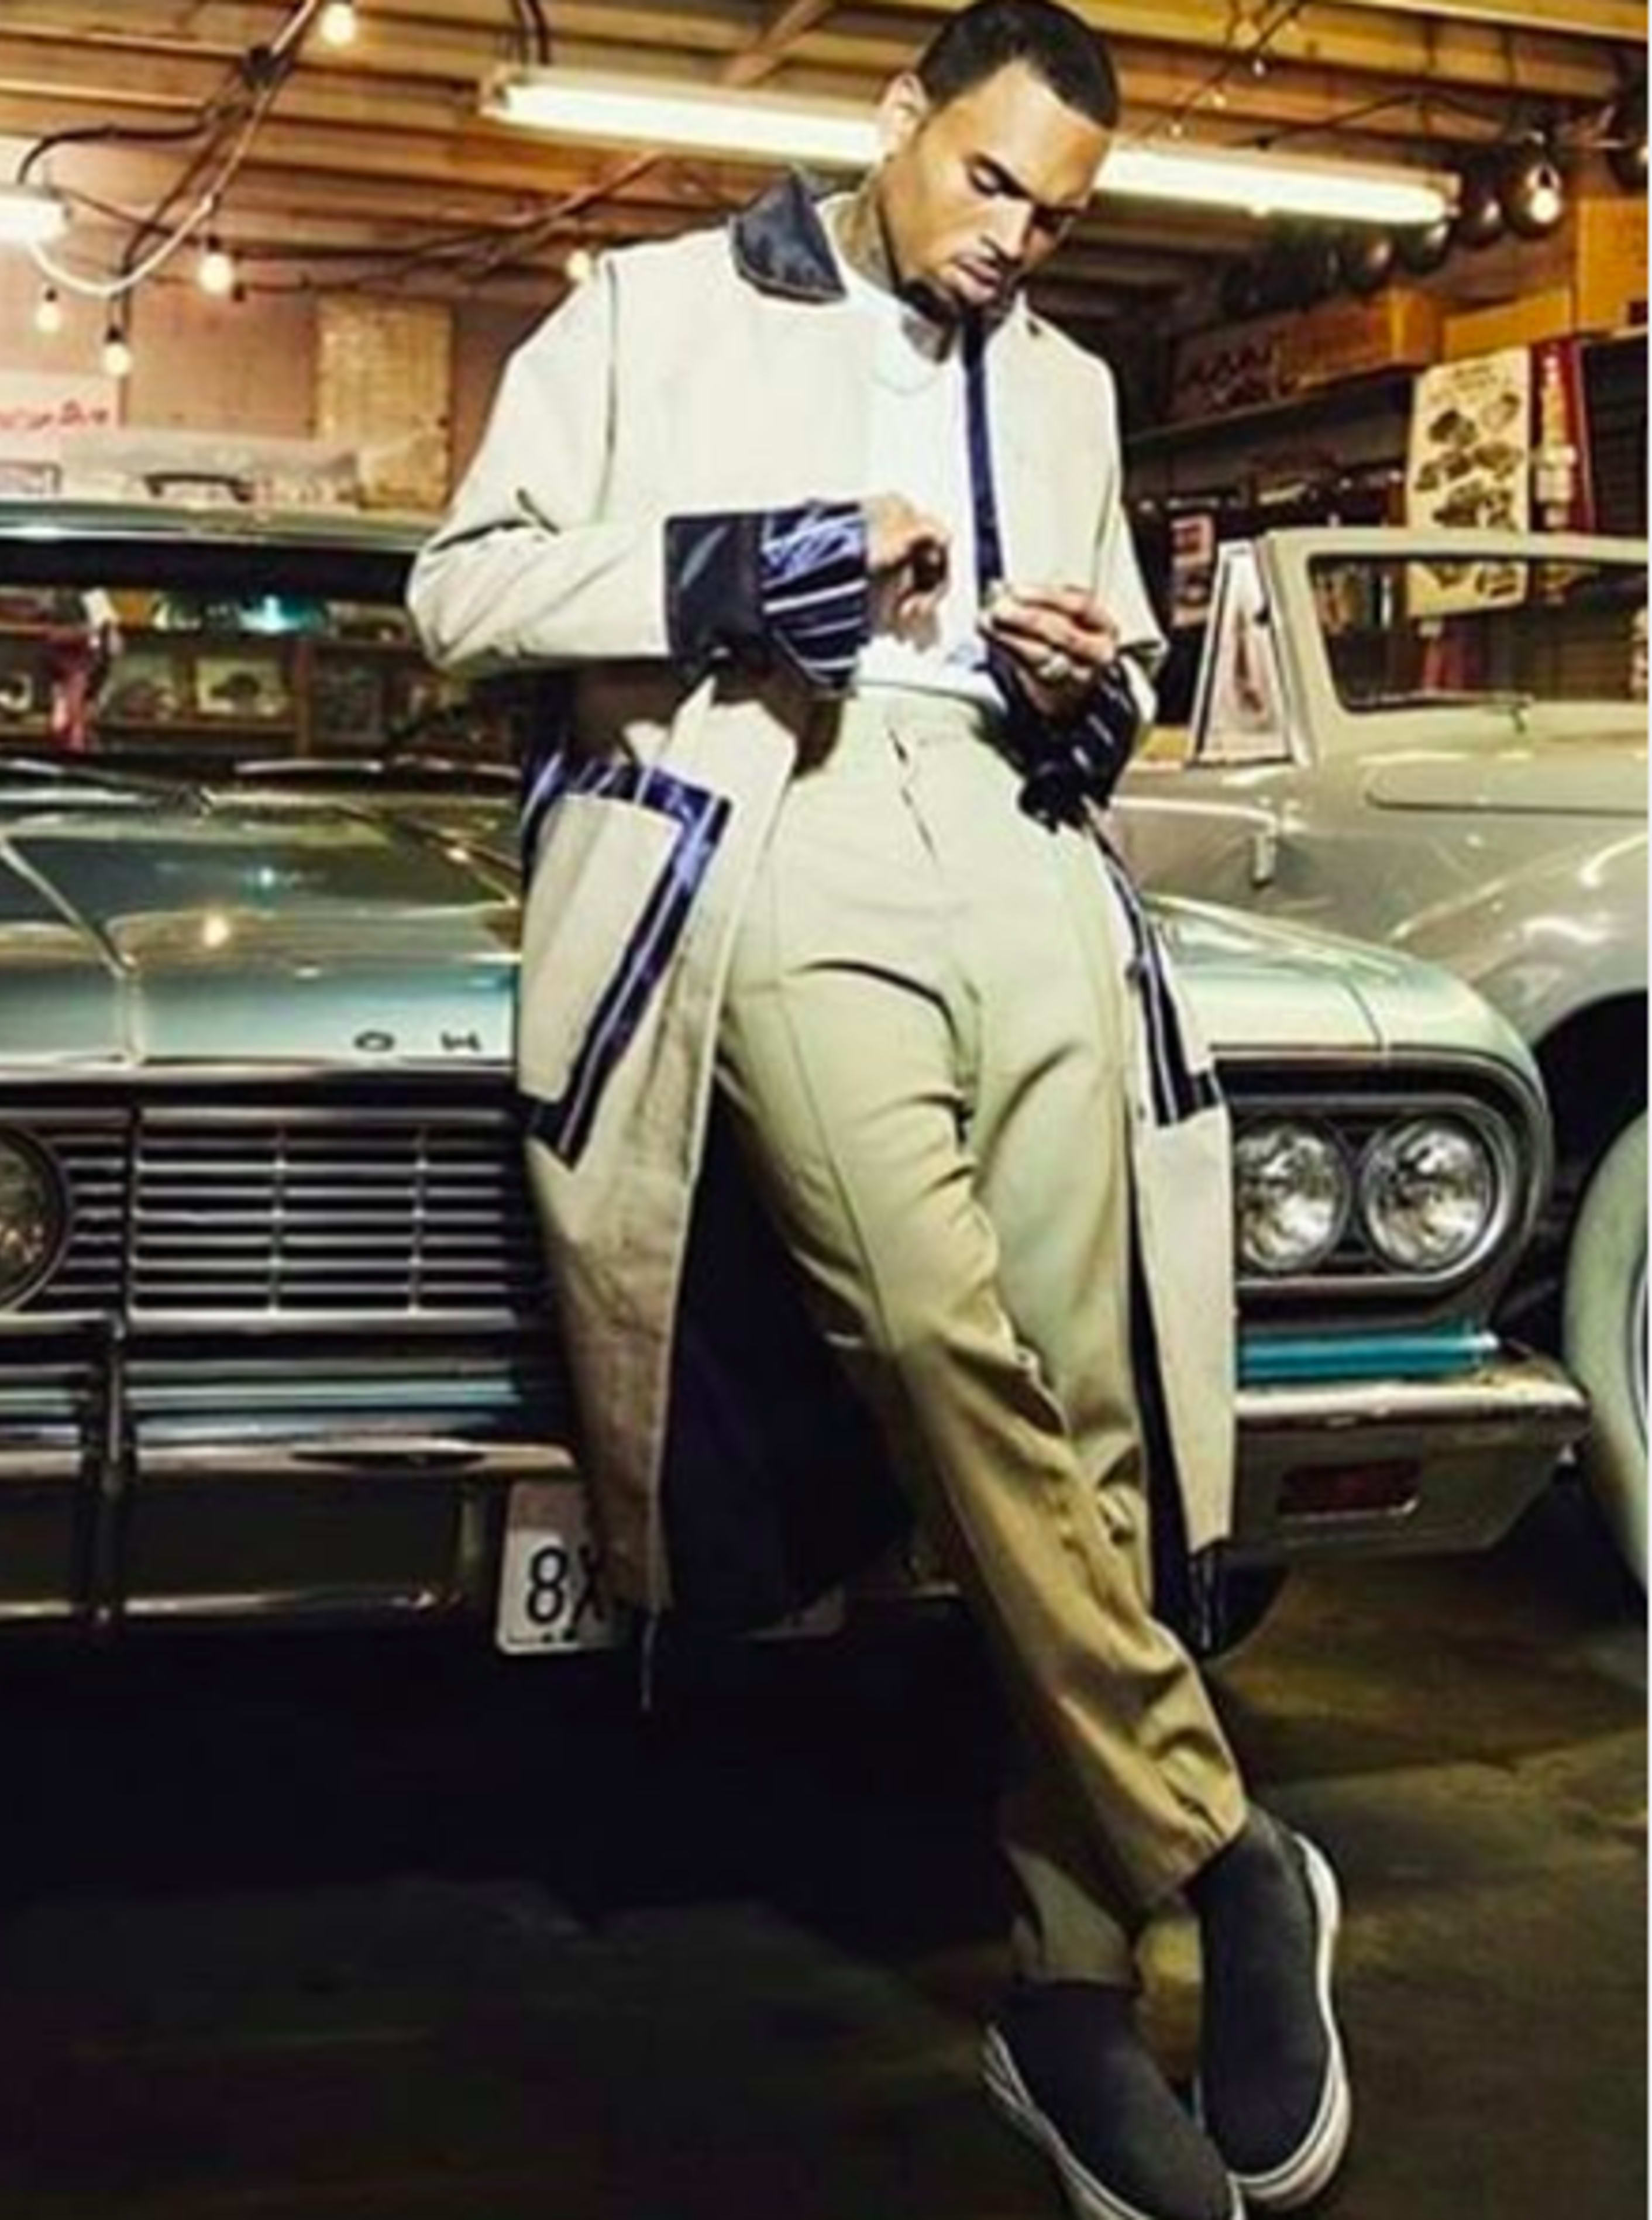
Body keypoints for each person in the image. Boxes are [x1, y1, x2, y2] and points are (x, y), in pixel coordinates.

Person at [408, 6, 1351, 2218]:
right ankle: (1224, 1834)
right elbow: (464, 589)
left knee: (1093, 1404)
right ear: (897, 121)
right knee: (935, 1335)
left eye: (1065, 212)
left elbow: (1103, 673)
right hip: (769, 807)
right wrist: (749, 567)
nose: (1020, 240)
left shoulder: (1071, 386)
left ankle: (1069, 1988)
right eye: (993, 181)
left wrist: (1080, 683)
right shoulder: (645, 308)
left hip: (1018, 842)